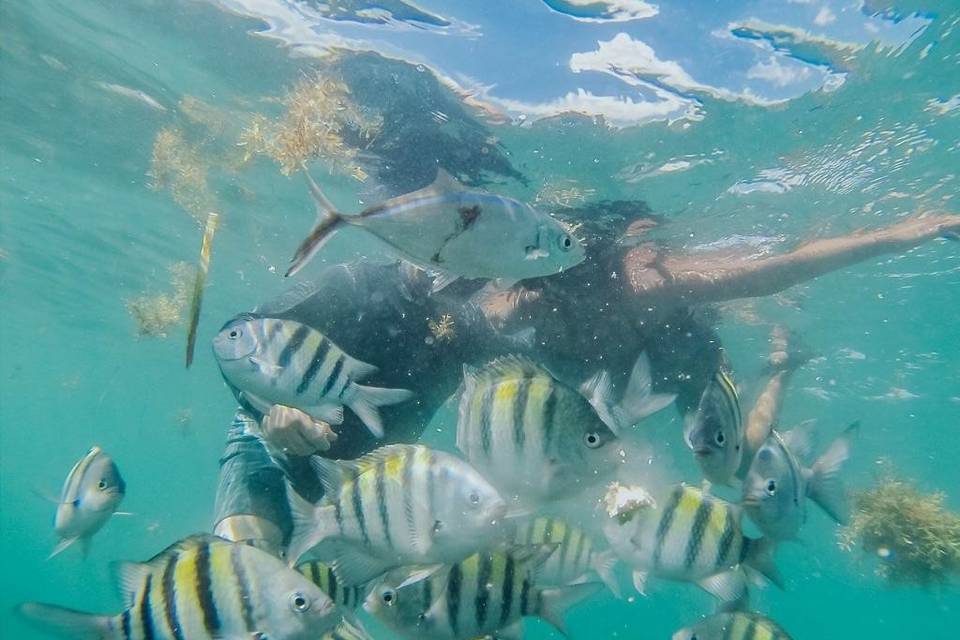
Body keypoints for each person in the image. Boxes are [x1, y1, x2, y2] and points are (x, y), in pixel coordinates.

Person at [211, 197, 960, 555]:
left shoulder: (637, 286)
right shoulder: (453, 288)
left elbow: (770, 271)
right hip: (289, 441)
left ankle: (779, 373)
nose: (654, 255)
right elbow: (236, 346)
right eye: (638, 242)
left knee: (737, 458)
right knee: (259, 565)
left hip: (358, 484)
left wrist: (898, 235)